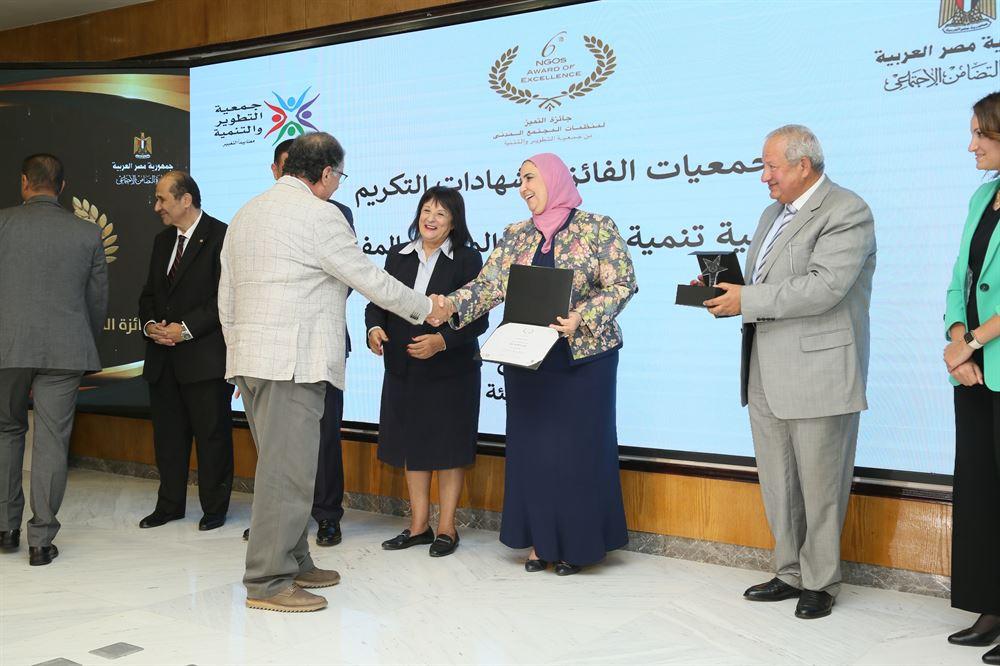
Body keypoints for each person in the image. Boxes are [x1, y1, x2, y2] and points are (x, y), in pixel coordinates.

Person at [219, 132, 451, 612]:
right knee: (288, 475)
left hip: (253, 363)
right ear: (325, 173)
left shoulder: (246, 212)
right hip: (293, 365)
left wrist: (237, 354)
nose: (339, 184)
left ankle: (294, 559)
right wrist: (426, 307)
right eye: (340, 176)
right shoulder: (320, 214)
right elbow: (367, 277)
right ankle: (267, 580)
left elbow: (226, 295)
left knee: (284, 468)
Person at [433, 152, 637, 575]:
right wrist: (449, 305)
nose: (522, 187)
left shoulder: (597, 227)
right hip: (527, 361)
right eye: (520, 180)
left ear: (554, 178)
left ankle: (577, 545)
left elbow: (622, 284)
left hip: (584, 361)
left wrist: (582, 316)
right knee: (534, 451)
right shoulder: (515, 234)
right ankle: (541, 542)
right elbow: (488, 287)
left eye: (529, 178)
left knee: (577, 450)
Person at [704, 125, 876, 619]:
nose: (764, 177)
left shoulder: (847, 210)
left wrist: (747, 299)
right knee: (778, 482)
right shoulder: (771, 215)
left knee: (821, 485)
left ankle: (820, 582)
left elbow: (824, 288)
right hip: (764, 367)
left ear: (804, 165)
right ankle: (789, 572)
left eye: (771, 166)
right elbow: (766, 281)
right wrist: (725, 291)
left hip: (819, 371)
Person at [366, 187, 488, 557]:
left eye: (440, 213)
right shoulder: (398, 255)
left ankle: (447, 528)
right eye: (426, 210)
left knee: (449, 449)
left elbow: (478, 318)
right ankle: (419, 526)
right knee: (412, 446)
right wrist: (374, 327)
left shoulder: (467, 259)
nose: (430, 219)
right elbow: (377, 302)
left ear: (454, 222)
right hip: (403, 368)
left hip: (451, 372)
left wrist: (442, 341)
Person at [241, 138, 351, 546]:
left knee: (306, 450)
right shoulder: (289, 214)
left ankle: (312, 536)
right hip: (282, 358)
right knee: (282, 459)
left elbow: (346, 279)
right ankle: (274, 553)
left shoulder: (331, 213)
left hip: (289, 353)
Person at [0, 154, 108, 566]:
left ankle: (5, 528)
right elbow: (96, 301)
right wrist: (83, 341)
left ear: (24, 182)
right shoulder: (88, 232)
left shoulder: (3, 224)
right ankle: (41, 541)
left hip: (7, 347)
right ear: (61, 187)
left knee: (6, 431)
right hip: (66, 350)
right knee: (51, 441)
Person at [138, 171, 234, 532]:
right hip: (163, 360)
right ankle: (169, 506)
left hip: (204, 360)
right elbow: (149, 295)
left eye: (162, 199)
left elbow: (224, 298)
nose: (157, 207)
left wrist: (186, 329)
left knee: (212, 438)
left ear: (186, 200)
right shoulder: (162, 241)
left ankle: (214, 509)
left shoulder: (222, 236)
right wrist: (151, 326)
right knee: (168, 439)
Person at [941, 92, 1000, 666]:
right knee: (982, 491)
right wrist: (957, 337)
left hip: (988, 357)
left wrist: (974, 342)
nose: (971, 145)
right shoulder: (982, 196)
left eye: (981, 133)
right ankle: (991, 605)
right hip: (975, 373)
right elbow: (961, 276)